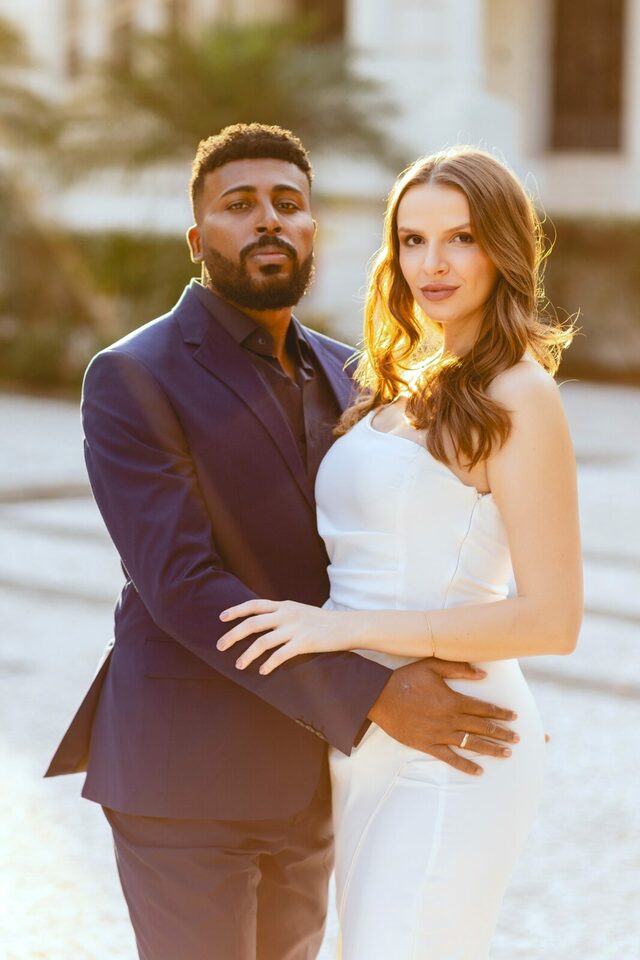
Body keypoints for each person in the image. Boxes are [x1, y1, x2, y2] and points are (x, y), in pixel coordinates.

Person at [44, 127, 519, 960]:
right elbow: (182, 584)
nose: (268, 219)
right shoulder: (133, 375)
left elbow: (391, 541)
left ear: (312, 230)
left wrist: (481, 666)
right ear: (198, 241)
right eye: (239, 204)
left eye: (288, 203)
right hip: (184, 773)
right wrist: (372, 695)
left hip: (313, 775)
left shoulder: (357, 374)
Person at [216, 147, 583, 958]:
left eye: (460, 238)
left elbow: (553, 620)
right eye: (413, 240)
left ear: (504, 248)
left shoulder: (520, 394)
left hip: (454, 736)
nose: (432, 264)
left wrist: (340, 630)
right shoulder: (402, 380)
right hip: (364, 735)